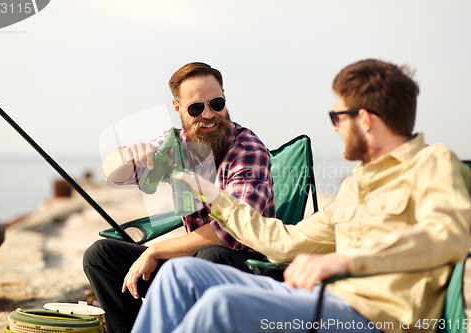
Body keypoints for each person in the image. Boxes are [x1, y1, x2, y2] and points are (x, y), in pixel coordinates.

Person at [131, 59, 471, 333]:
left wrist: (344, 261)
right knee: (179, 275)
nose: (335, 127)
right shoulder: (356, 185)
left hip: (376, 318)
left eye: (338, 117)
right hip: (327, 300)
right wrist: (214, 196)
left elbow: (449, 236)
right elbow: (284, 241)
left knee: (222, 305)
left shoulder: (433, 162)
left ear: (365, 120)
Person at [83, 62, 277, 333]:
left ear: (224, 98)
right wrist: (126, 155)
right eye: (196, 108)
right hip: (191, 261)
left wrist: (156, 250)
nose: (209, 114)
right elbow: (115, 173)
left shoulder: (248, 149)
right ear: (178, 109)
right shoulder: (178, 146)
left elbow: (232, 231)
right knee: (100, 255)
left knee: (210, 256)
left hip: (245, 266)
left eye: (216, 103)